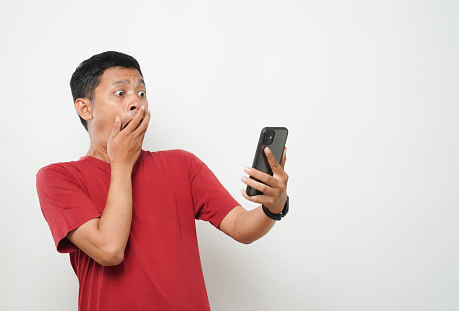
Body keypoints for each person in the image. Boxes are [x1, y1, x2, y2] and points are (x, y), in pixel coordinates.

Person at [36, 51, 289, 311]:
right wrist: (122, 165)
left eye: (141, 93)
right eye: (121, 93)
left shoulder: (182, 165)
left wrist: (275, 206)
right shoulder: (59, 178)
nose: (137, 102)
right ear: (85, 108)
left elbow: (242, 227)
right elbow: (109, 250)